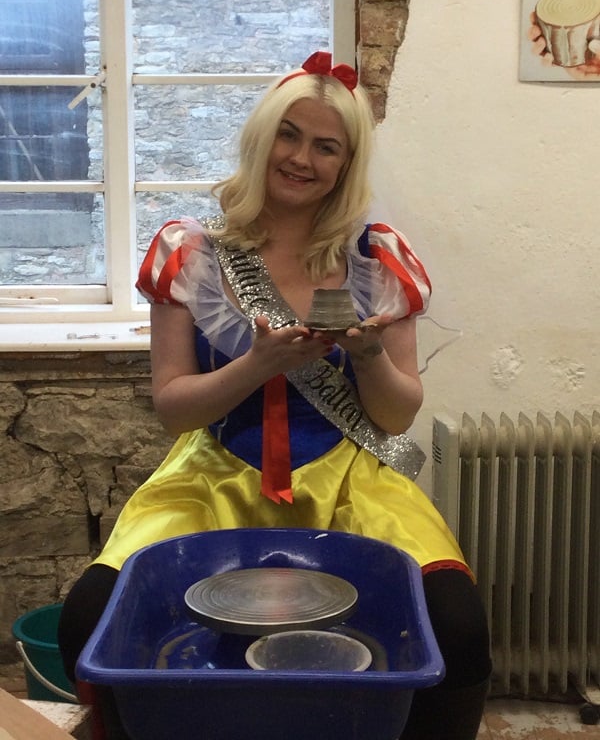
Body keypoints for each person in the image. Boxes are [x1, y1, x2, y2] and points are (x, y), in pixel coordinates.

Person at [58, 51, 491, 739]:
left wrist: (370, 354)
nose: (302, 158)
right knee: (87, 615)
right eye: (289, 134)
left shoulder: (376, 259)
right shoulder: (190, 253)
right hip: (213, 474)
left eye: (327, 147)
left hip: (351, 477)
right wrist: (256, 364)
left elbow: (395, 414)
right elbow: (175, 408)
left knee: (459, 625)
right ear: (262, 138)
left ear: (347, 165)